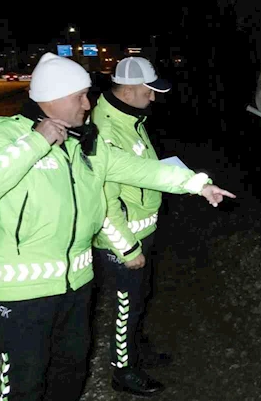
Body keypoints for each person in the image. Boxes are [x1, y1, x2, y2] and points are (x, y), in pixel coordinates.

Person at [0, 52, 235, 401]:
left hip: (76, 286)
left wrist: (197, 183)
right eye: (80, 96)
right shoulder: (2, 132)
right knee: (27, 384)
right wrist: (36, 143)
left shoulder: (85, 142)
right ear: (53, 98)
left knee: (71, 372)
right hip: (22, 295)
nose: (88, 104)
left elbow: (143, 169)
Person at [89, 56, 175, 396]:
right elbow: (104, 202)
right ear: (127, 89)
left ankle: (136, 351)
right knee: (126, 307)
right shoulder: (107, 131)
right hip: (123, 241)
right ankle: (122, 371)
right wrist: (127, 248)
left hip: (142, 230)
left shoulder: (129, 117)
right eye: (149, 91)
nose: (153, 97)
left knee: (140, 298)